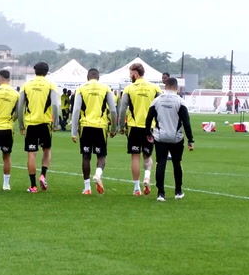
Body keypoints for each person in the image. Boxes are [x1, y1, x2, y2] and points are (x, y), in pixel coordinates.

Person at [145, 77, 194, 201]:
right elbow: (186, 122)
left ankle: (160, 193)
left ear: (165, 87)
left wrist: (148, 133)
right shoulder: (180, 101)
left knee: (160, 163)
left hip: (160, 137)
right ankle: (178, 191)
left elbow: (148, 118)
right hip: (176, 137)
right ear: (176, 88)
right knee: (177, 163)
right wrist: (190, 140)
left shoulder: (156, 101)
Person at [118, 63, 163, 196]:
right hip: (150, 127)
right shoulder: (155, 88)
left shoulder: (129, 88)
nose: (129, 75)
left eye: (130, 73)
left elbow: (123, 109)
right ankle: (147, 176)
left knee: (135, 157)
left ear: (136, 73)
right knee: (148, 155)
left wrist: (121, 126)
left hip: (134, 126)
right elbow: (160, 107)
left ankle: (136, 188)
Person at [71, 69, 117, 195]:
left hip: (85, 126)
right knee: (101, 156)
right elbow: (113, 110)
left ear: (87, 77)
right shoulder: (106, 88)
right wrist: (114, 128)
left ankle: (87, 188)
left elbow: (75, 111)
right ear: (98, 77)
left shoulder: (81, 88)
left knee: (86, 156)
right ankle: (97, 174)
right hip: (100, 126)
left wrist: (73, 132)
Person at [17, 62, 61, 193]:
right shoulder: (50, 85)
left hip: (31, 124)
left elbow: (20, 106)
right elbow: (55, 105)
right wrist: (56, 122)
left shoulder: (26, 85)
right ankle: (43, 175)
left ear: (34, 71)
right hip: (45, 123)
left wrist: (21, 125)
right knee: (46, 150)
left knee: (32, 154)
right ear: (47, 72)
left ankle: (33, 186)